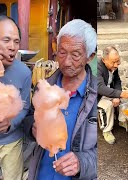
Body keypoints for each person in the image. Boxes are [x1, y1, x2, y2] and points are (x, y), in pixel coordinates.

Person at [27, 19, 98, 180]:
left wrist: (81, 162)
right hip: (41, 174)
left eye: (75, 55)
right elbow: (29, 117)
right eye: (62, 52)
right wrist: (32, 127)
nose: (66, 62)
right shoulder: (44, 87)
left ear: (90, 56)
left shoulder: (96, 96)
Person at [0, 16, 31, 180]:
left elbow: (24, 107)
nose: (12, 47)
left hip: (10, 142)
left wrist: (11, 124)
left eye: (16, 42)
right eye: (6, 40)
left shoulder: (24, 73)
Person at [98, 46, 128, 144]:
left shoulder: (114, 67)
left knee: (125, 98)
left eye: (117, 61)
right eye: (113, 62)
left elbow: (118, 81)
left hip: (108, 92)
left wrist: (117, 96)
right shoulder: (96, 68)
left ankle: (121, 120)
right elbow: (100, 88)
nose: (116, 65)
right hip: (95, 96)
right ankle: (106, 130)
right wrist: (120, 93)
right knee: (108, 105)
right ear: (104, 60)